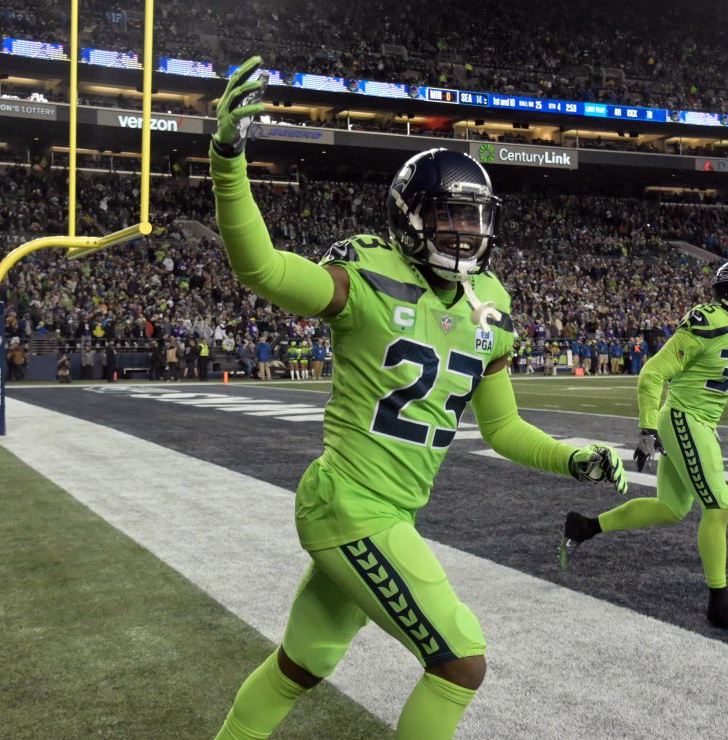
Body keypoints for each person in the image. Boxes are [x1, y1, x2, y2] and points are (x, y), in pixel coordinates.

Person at [208, 56, 628, 740]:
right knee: (460, 661)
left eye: (473, 218)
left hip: (384, 509)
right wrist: (229, 160)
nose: (463, 231)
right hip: (352, 505)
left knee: (301, 665)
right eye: (447, 215)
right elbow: (262, 269)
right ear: (410, 217)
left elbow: (503, 428)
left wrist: (571, 458)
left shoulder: (491, 303)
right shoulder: (368, 273)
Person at [557, 258, 728, 631]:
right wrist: (646, 429)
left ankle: (584, 527)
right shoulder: (706, 323)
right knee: (720, 504)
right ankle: (720, 603)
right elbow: (653, 372)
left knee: (671, 508)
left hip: (700, 423)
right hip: (683, 420)